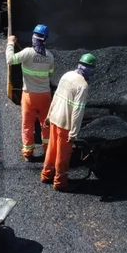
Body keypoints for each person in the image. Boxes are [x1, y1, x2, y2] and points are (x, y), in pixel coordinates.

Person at [42, 53, 95, 191]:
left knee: (51, 149)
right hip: (65, 124)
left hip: (54, 119)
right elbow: (77, 111)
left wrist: (48, 116)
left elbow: (56, 97)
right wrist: (73, 132)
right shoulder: (82, 85)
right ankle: (60, 182)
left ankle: (46, 175)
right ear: (90, 69)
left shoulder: (66, 75)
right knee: (63, 154)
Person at [6, 25, 55, 161]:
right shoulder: (50, 56)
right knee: (45, 124)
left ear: (33, 37)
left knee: (27, 125)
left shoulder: (27, 53)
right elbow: (50, 73)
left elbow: (10, 60)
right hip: (45, 96)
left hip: (29, 96)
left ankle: (28, 152)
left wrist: (10, 42)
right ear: (45, 39)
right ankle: (48, 151)